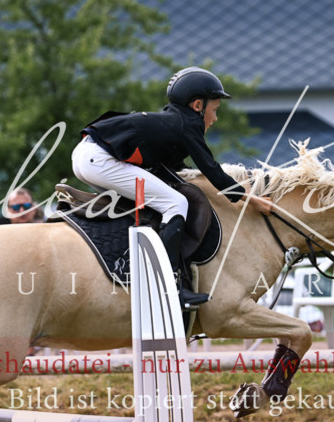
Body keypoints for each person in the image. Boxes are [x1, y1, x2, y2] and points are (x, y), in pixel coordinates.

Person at [72, 66, 271, 307]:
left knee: (159, 201)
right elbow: (211, 169)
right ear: (197, 106)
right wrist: (251, 199)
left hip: (85, 156)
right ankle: (168, 287)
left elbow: (174, 169)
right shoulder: (188, 124)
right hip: (100, 160)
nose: (215, 118)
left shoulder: (172, 123)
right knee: (176, 203)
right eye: (215, 110)